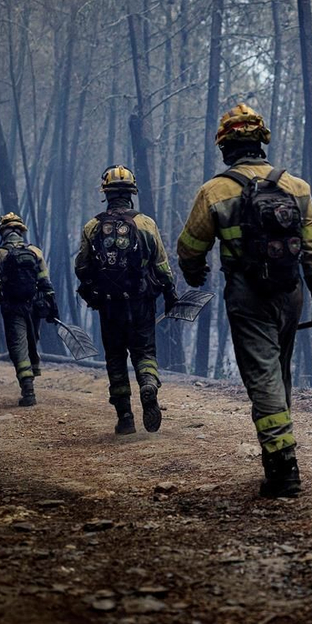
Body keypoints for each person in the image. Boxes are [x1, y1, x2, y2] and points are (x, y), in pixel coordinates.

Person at [176, 104, 312, 498]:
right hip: (291, 293)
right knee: (278, 373)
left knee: (264, 378)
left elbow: (189, 248)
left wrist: (195, 273)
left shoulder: (214, 191)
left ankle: (283, 469)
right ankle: (280, 449)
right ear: (261, 143)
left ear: (225, 148)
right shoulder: (297, 187)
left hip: (248, 295)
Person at [75, 165, 181, 434]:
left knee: (115, 357)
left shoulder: (92, 226)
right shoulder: (146, 224)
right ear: (132, 193)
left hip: (109, 304)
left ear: (106, 194)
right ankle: (148, 383)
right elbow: (161, 264)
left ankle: (125, 417)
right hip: (141, 301)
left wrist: (93, 289)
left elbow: (82, 267)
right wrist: (170, 293)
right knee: (144, 352)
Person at [0, 212, 59, 407]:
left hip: (12, 306)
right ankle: (33, 370)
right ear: (21, 231)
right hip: (34, 305)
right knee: (32, 340)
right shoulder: (35, 252)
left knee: (18, 344)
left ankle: (28, 388)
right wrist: (51, 306)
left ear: (3, 232)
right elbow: (45, 282)